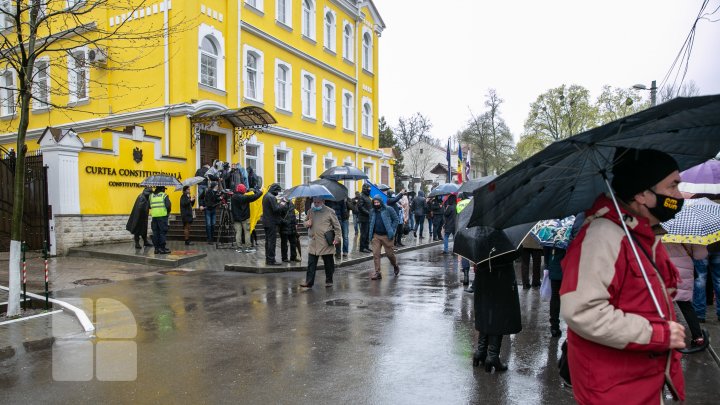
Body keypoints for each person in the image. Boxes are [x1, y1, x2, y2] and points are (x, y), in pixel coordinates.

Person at [560, 148, 686, 403]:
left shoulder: (642, 234)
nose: (678, 195)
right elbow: (582, 312)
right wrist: (658, 334)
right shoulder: (603, 236)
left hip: (642, 381)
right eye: (672, 186)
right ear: (642, 194)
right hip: (615, 389)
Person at [472, 254, 522, 373]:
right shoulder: (504, 238)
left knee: (486, 312)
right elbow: (516, 252)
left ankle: (480, 351)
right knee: (498, 315)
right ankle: (493, 356)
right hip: (501, 276)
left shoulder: (480, 238)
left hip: (483, 275)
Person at [665, 241, 708, 347]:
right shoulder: (689, 232)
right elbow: (700, 255)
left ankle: (665, 336)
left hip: (664, 268)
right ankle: (698, 338)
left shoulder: (657, 230)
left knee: (663, 304)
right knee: (686, 305)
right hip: (684, 270)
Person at [300, 197, 341, 288]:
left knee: (328, 263)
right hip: (313, 242)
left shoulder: (330, 211)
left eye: (318, 202)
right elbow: (304, 222)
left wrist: (337, 238)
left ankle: (329, 280)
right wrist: (307, 223)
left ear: (323, 201)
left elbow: (337, 226)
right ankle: (309, 282)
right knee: (311, 263)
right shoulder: (310, 211)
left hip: (325, 242)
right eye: (314, 202)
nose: (316, 204)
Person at [369, 194, 400, 280]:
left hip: (387, 236)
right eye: (374, 202)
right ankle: (377, 272)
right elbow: (370, 222)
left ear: (381, 202)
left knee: (390, 254)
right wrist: (371, 234)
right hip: (376, 236)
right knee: (376, 254)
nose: (376, 204)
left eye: (377, 202)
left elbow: (396, 219)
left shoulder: (388, 209)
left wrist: (392, 230)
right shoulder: (372, 211)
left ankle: (395, 265)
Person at [231, 184, 263, 253]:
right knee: (247, 232)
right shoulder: (245, 197)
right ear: (243, 190)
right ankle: (248, 247)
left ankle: (238, 248)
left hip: (236, 218)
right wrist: (260, 192)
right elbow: (254, 197)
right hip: (245, 218)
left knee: (238, 232)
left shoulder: (233, 197)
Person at [693, 241, 720, 323]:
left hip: (700, 246)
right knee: (719, 280)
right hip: (718, 245)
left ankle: (699, 314)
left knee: (700, 280)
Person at [544, 246, 566, 337]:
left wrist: (547, 265)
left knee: (555, 296)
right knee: (571, 296)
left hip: (555, 264)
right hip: (569, 265)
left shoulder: (552, 232)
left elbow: (546, 249)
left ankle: (554, 326)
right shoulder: (573, 232)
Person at [262, 183, 285, 265]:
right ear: (274, 190)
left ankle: (268, 259)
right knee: (272, 241)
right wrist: (282, 204)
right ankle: (271, 260)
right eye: (277, 191)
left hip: (266, 222)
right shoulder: (271, 197)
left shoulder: (266, 196)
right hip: (271, 222)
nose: (278, 193)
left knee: (267, 241)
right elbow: (276, 209)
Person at [149, 185, 171, 254]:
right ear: (162, 189)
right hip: (162, 216)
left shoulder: (151, 196)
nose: (165, 190)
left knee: (155, 233)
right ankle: (162, 248)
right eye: (164, 189)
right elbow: (168, 206)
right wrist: (167, 212)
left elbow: (149, 206)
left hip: (154, 217)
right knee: (162, 232)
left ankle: (156, 249)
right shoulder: (164, 195)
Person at [279, 198, 301, 262]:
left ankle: (293, 257)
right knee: (284, 244)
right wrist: (284, 221)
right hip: (284, 227)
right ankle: (284, 258)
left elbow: (293, 214)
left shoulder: (291, 203)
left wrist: (296, 223)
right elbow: (278, 215)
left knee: (293, 242)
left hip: (292, 227)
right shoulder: (281, 203)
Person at [357, 184, 372, 253]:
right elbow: (360, 207)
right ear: (365, 188)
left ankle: (366, 246)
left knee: (368, 233)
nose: (370, 189)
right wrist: (368, 212)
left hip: (368, 218)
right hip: (363, 218)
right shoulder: (361, 196)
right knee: (364, 233)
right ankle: (362, 248)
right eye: (368, 188)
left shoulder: (367, 196)